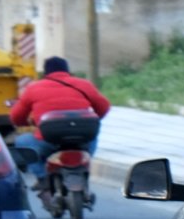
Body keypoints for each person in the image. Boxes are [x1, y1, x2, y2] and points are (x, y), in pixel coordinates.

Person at [9, 56, 112, 193]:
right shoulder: (84, 84)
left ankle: (42, 177)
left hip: (49, 140)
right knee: (93, 135)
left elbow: (16, 117)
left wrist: (25, 123)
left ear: (45, 73)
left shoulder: (33, 88)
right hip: (82, 140)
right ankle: (84, 163)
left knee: (22, 141)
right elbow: (104, 107)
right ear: (67, 70)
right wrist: (92, 118)